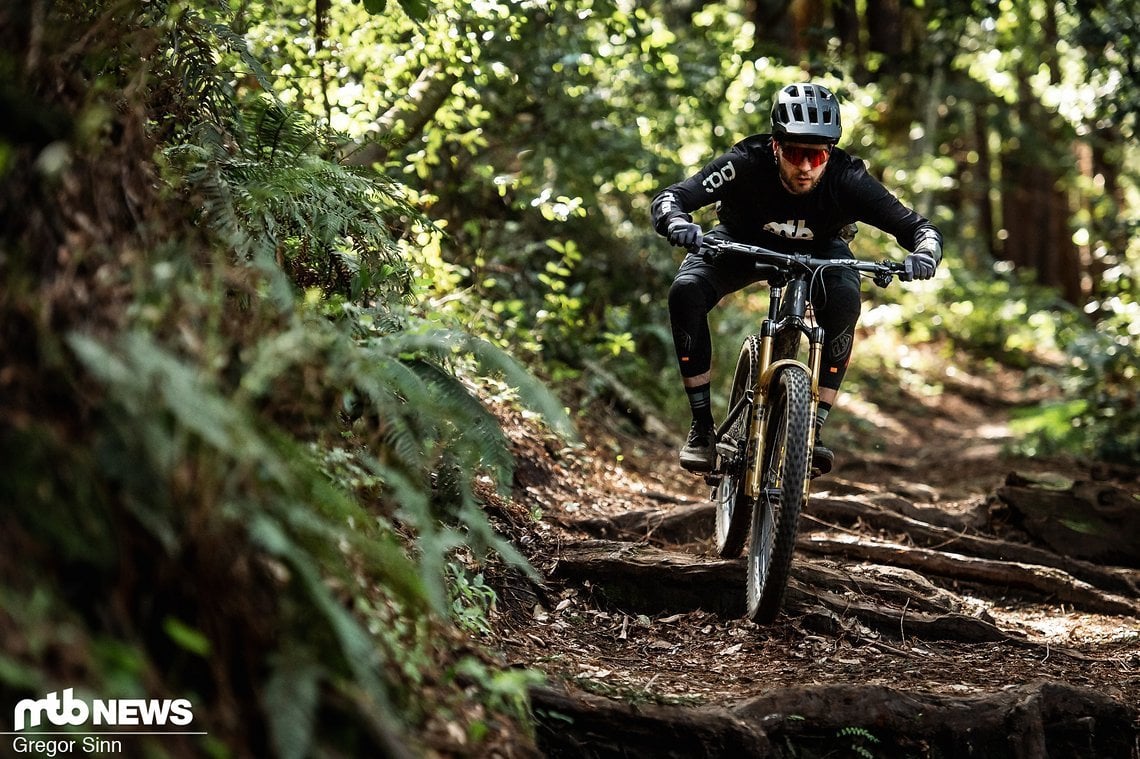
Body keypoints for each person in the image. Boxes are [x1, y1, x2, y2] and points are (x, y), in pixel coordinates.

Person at [651, 82, 943, 474]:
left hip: (822, 253)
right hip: (740, 243)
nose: (806, 166)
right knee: (686, 291)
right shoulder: (745, 161)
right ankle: (702, 427)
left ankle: (812, 429)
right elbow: (672, 198)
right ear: (775, 146)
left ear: (830, 152)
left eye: (818, 154)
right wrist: (676, 222)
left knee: (844, 302)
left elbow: (920, 229)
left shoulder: (848, 178)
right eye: (794, 153)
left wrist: (924, 254)